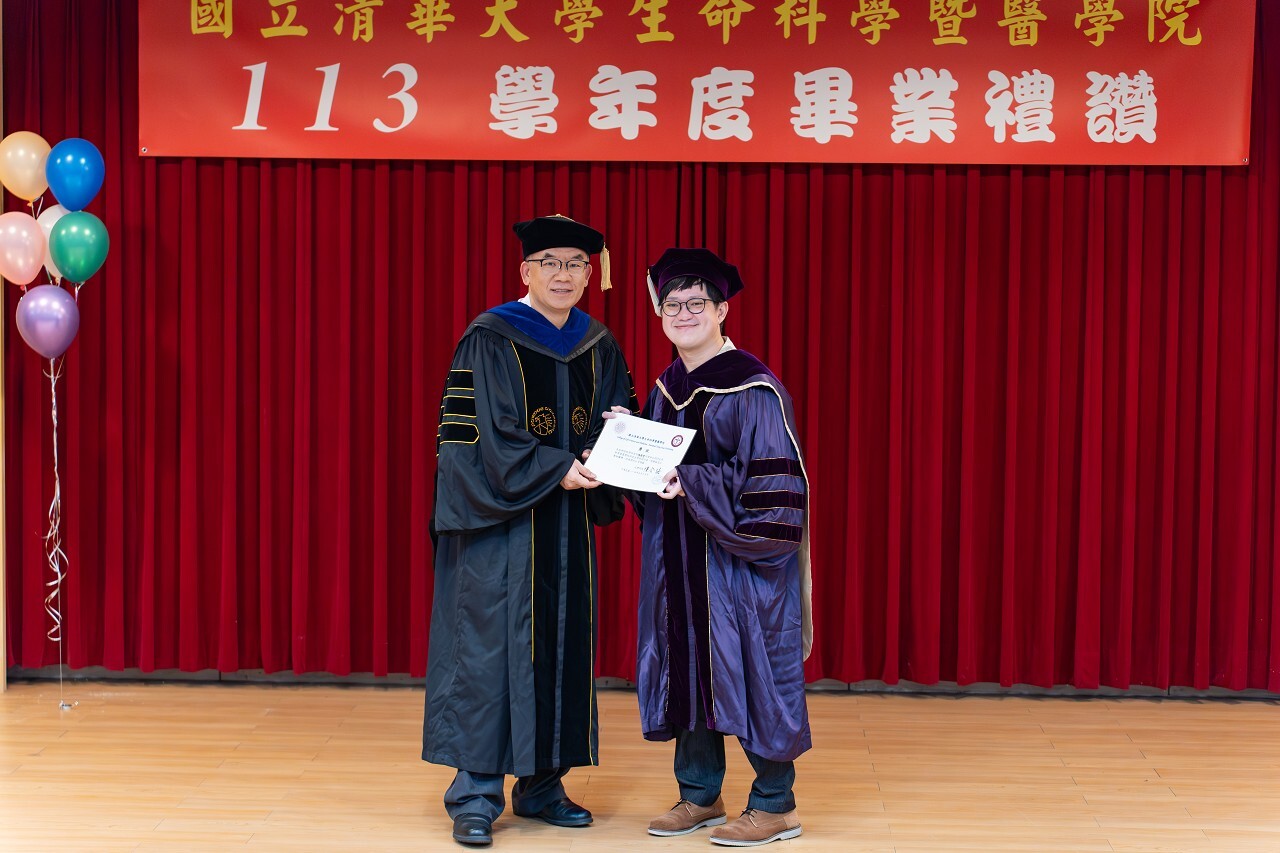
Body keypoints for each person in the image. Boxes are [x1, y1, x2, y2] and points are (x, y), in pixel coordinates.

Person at [423, 215, 636, 847]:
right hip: (500, 525)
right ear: (525, 271)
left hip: (566, 529)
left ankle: (544, 786)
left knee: (561, 647)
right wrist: (556, 469)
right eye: (550, 262)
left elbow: (613, 418)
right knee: (488, 653)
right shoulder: (491, 336)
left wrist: (613, 444)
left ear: (591, 275)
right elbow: (481, 433)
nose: (563, 275)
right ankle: (475, 795)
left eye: (576, 264)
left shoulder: (597, 342)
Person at [624, 247, 814, 847]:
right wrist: (623, 446)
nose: (683, 314)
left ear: (722, 310)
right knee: (686, 668)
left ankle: (775, 804)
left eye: (696, 303)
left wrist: (695, 482)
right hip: (678, 562)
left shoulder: (753, 387)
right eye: (671, 305)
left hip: (739, 566)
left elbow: (770, 485)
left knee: (755, 672)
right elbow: (654, 477)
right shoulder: (666, 388)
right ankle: (700, 794)